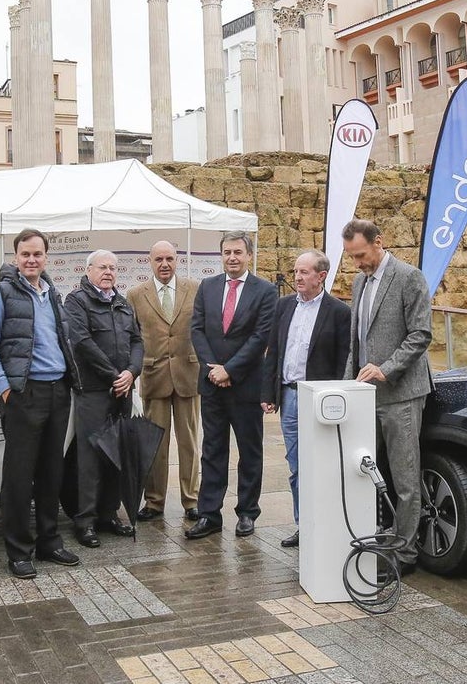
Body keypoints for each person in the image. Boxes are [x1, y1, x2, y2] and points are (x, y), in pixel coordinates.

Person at [0, 228, 80, 579]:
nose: (32, 260)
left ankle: (49, 542)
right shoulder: (1, 294)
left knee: (52, 472)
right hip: (25, 395)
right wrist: (7, 391)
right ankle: (19, 551)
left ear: (46, 257)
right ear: (16, 257)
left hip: (57, 392)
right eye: (25, 255)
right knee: (19, 478)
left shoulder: (52, 293)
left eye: (37, 254)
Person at [342, 218, 432, 576]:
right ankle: (382, 537)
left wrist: (387, 368)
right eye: (351, 257)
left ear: (379, 242)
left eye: (360, 255)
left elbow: (421, 334)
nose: (356, 263)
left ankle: (406, 553)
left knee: (405, 478)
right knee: (369, 474)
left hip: (402, 395)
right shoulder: (358, 282)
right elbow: (357, 341)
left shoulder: (409, 277)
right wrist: (346, 385)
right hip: (365, 397)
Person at [187, 231, 277, 539]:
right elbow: (197, 329)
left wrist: (230, 370)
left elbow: (260, 337)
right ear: (221, 255)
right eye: (227, 252)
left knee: (249, 451)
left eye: (238, 252)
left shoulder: (265, 291)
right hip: (212, 384)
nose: (232, 258)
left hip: (246, 385)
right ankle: (209, 514)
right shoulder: (207, 287)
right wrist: (214, 369)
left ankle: (247, 512)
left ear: (249, 255)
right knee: (213, 450)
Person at [260, 250, 351, 548]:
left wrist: (338, 398)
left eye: (305, 272)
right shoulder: (284, 306)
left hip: (320, 401)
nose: (298, 277)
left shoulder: (338, 311)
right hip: (289, 397)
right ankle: (304, 525)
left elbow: (343, 360)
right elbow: (273, 350)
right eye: (296, 271)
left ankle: (327, 523)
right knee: (297, 464)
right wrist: (268, 393)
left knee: (323, 463)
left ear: (321, 276)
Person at [62, 250, 142, 547]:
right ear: (89, 270)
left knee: (115, 456)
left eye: (112, 268)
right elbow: (82, 342)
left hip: (123, 391)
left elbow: (137, 341)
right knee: (90, 457)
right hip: (95, 392)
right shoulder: (76, 300)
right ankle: (85, 521)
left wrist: (132, 372)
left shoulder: (122, 303)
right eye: (102, 267)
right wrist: (114, 376)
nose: (108, 272)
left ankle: (108, 514)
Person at [126, 240, 201, 522]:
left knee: (189, 442)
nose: (165, 264)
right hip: (154, 376)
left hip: (188, 376)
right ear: (150, 261)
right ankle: (154, 501)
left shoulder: (194, 289)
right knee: (155, 444)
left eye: (169, 258)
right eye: (159, 259)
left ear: (177, 259)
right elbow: (132, 337)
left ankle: (191, 500)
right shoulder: (135, 294)